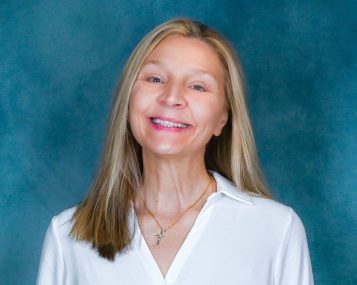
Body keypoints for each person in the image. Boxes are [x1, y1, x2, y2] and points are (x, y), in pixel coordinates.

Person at [36, 17, 314, 284]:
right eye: (155, 79)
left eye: (197, 86)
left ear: (222, 119)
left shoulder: (275, 230)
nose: (171, 97)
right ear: (128, 99)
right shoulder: (69, 236)